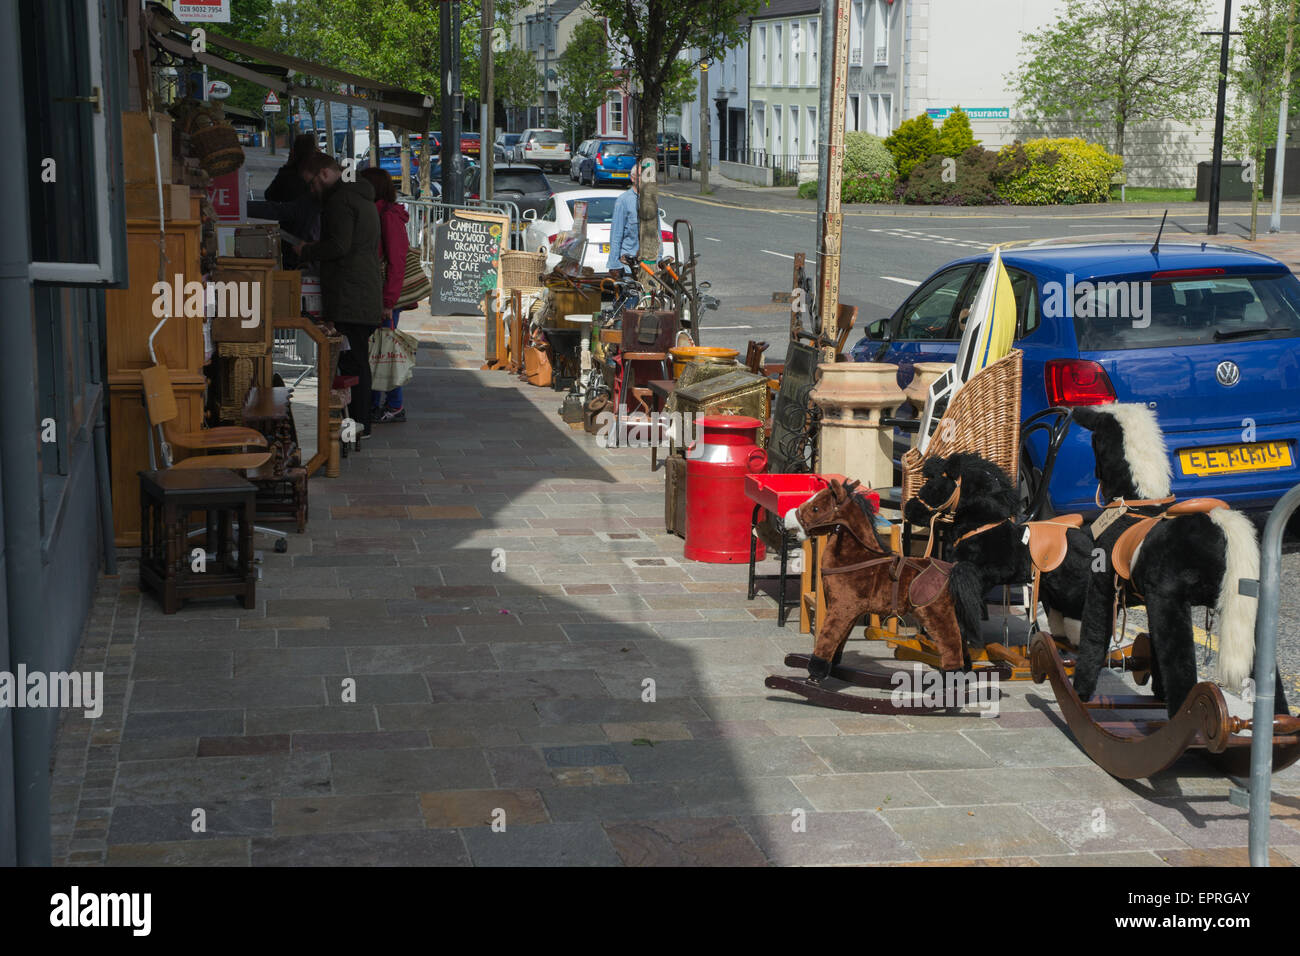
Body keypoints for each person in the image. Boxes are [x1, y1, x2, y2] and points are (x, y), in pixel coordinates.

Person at [293, 154, 383, 439]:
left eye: (311, 183)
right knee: (357, 360)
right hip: (362, 291)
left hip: (350, 295)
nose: (312, 190)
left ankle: (358, 424)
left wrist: (306, 249)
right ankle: (360, 422)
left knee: (352, 361)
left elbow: (339, 245)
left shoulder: (340, 201)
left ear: (322, 174)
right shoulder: (360, 196)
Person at [358, 167, 412, 423]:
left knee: (385, 351)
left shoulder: (387, 216)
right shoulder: (378, 212)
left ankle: (394, 405)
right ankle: (382, 403)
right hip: (378, 294)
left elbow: (396, 261)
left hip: (385, 298)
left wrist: (389, 302)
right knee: (379, 350)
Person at [606, 159, 643, 312]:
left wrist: (659, 258)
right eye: (641, 176)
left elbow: (657, 233)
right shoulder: (624, 201)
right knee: (629, 307)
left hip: (648, 265)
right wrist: (614, 264)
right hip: (628, 265)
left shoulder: (651, 200)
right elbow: (616, 234)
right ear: (633, 178)